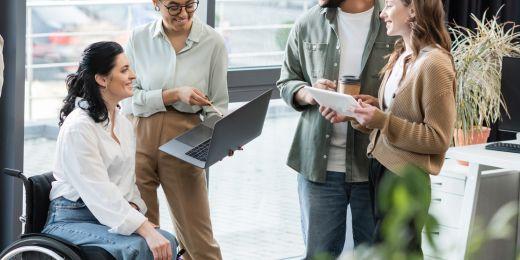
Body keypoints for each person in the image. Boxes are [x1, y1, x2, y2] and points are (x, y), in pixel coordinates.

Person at [320, 0, 456, 254]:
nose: (382, 14)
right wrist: (360, 114)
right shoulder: (403, 55)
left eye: (390, 5)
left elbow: (438, 138)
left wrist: (382, 120)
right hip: (381, 169)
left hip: (406, 179)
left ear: (413, 9)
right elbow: (396, 119)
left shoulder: (435, 64)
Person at [276, 0, 395, 258]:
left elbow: (406, 92)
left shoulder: (392, 21)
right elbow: (286, 81)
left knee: (377, 255)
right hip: (318, 169)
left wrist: (373, 108)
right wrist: (310, 94)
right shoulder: (307, 23)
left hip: (375, 165)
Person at [42, 41, 177, 260]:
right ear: (102, 79)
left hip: (105, 214)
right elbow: (99, 192)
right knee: (138, 248)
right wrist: (142, 227)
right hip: (71, 219)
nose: (133, 75)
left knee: (168, 240)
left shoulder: (122, 122)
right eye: (124, 70)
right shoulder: (79, 128)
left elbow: (127, 182)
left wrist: (135, 211)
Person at [122, 0, 228, 259]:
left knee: (200, 241)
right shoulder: (139, 38)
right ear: (156, 3)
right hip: (139, 138)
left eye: (190, 4)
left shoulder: (213, 42)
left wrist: (223, 139)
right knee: (144, 237)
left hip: (186, 139)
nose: (183, 13)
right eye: (174, 6)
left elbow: (217, 106)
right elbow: (128, 98)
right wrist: (173, 94)